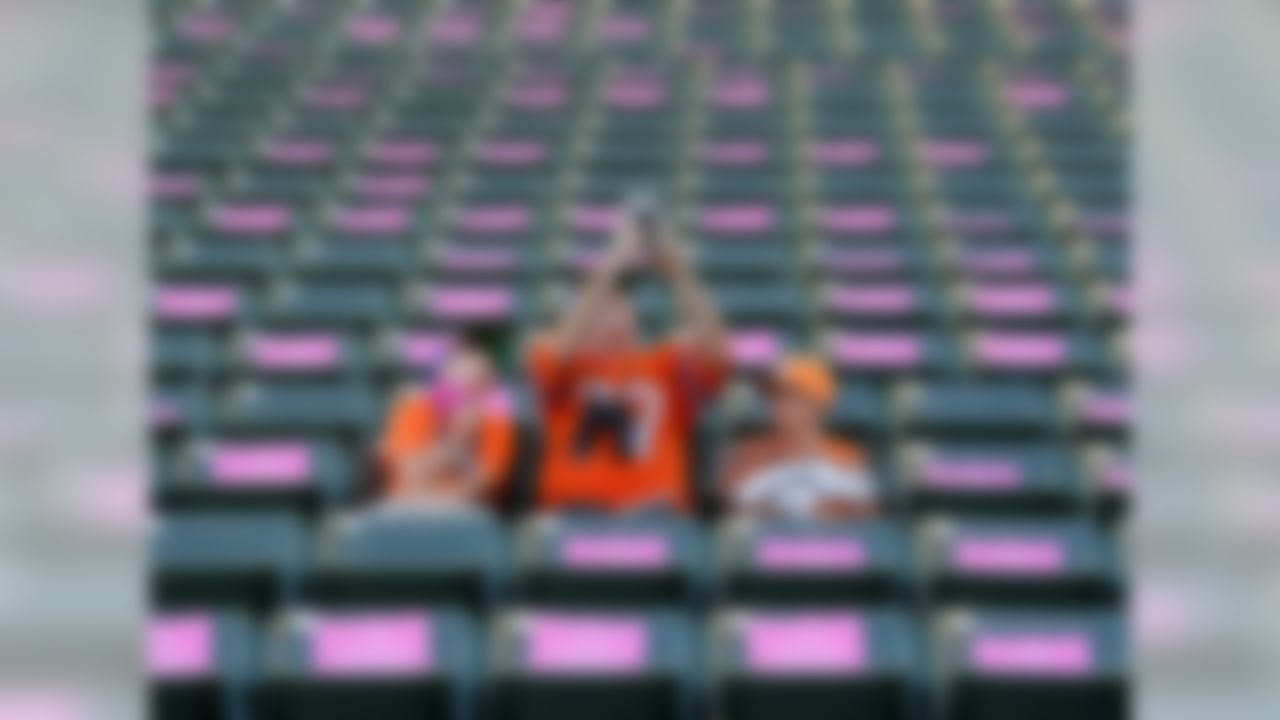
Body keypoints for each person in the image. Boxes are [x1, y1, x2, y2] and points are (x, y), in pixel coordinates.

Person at [525, 204, 730, 514]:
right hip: (573, 516)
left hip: (656, 515)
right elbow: (558, 354)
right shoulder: (554, 356)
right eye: (595, 305)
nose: (603, 314)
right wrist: (611, 264)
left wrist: (679, 272)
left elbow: (717, 353)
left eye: (616, 304)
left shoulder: (665, 360)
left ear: (633, 313)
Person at [719, 354, 879, 521]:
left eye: (789, 397)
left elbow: (868, 515)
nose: (777, 406)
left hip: (828, 542)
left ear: (816, 403)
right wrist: (771, 510)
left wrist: (837, 510)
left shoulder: (848, 454)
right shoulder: (748, 453)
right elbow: (729, 513)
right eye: (774, 398)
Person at [376, 335, 516, 507]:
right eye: (457, 389)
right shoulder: (415, 408)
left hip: (464, 517)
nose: (465, 398)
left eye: (478, 389)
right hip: (408, 512)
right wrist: (456, 440)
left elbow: (480, 489)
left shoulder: (497, 422)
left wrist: (465, 435)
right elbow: (408, 478)